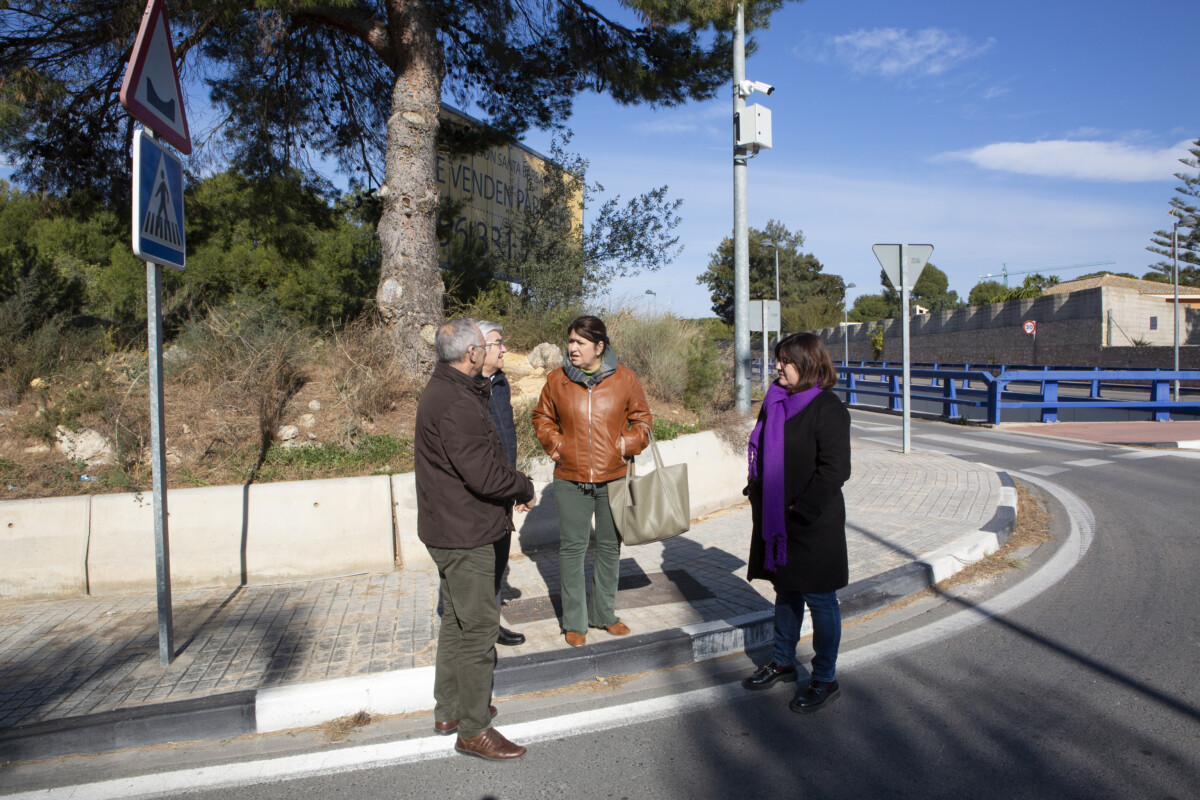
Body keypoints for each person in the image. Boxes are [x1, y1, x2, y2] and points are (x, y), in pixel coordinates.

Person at [415, 318, 536, 759]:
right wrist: (523, 485)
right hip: (464, 532)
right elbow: (484, 473)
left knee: (457, 622)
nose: (493, 351)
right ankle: (473, 729)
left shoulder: (450, 390)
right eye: (486, 346)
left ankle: (450, 709)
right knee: (479, 628)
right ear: (470, 354)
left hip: (449, 526)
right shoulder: (456, 402)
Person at [741, 332, 852, 714]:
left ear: (806, 364)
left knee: (820, 599)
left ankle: (825, 677)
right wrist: (755, 487)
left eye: (783, 361)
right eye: (777, 360)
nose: (776, 367)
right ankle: (783, 660)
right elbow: (766, 452)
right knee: (786, 591)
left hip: (813, 520)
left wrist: (802, 510)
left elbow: (836, 469)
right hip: (777, 521)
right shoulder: (775, 402)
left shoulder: (828, 408)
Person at [532, 315, 652, 647]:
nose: (572, 348)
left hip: (614, 476)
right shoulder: (557, 380)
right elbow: (541, 416)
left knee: (610, 547)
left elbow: (642, 419)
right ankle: (574, 621)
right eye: (570, 341)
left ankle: (604, 614)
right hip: (570, 477)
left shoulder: (625, 379)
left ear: (599, 347)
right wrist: (556, 446)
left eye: (579, 342)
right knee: (572, 549)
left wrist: (625, 445)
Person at [476, 320, 527, 647]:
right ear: (478, 349)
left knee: (498, 560)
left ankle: (491, 626)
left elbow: (507, 437)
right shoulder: (467, 387)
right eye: (499, 343)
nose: (505, 348)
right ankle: (478, 632)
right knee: (479, 566)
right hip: (481, 489)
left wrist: (516, 484)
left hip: (503, 487)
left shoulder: (500, 382)